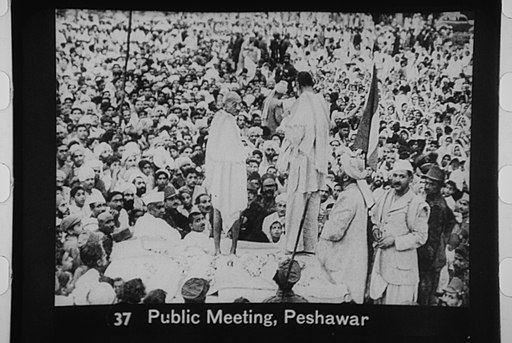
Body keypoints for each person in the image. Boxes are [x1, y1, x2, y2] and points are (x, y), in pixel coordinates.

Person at [277, 71, 330, 254]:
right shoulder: (322, 101)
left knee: (297, 201)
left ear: (298, 85)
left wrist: (286, 120)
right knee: (312, 203)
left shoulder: (302, 102)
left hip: (303, 158)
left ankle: (293, 245)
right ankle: (309, 245)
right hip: (318, 159)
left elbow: (296, 134)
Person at [369, 159, 430, 305]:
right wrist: (375, 229)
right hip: (382, 262)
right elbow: (376, 218)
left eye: (402, 176)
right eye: (395, 175)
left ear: (410, 179)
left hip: (402, 268)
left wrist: (395, 241)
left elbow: (421, 237)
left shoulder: (417, 203)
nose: (397, 180)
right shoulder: (385, 196)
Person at [316, 153, 374, 304]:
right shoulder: (356, 194)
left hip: (344, 258)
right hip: (352, 255)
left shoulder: (348, 196)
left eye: (341, 168)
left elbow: (334, 232)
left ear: (347, 176)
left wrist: (323, 230)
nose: (338, 170)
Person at [204, 91, 248, 255]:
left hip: (234, 168)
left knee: (236, 205)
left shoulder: (231, 121)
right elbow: (217, 147)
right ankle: (216, 247)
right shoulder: (221, 119)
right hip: (222, 168)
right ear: (226, 104)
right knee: (218, 206)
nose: (237, 108)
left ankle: (233, 248)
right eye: (234, 104)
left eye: (239, 104)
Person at [418, 164, 456, 306]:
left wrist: (427, 256)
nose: (427, 186)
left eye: (432, 184)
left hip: (430, 256)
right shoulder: (433, 200)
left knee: (425, 290)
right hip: (435, 254)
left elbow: (432, 235)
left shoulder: (437, 206)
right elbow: (452, 220)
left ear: (439, 186)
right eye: (426, 182)